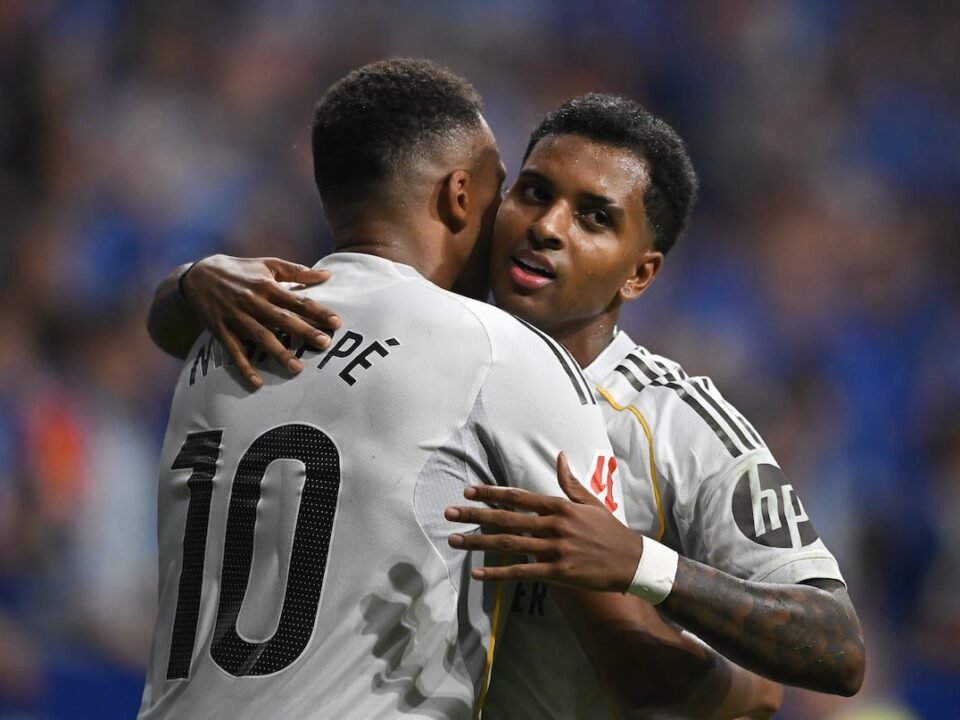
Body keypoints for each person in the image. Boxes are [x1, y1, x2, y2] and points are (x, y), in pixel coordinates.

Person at [150, 93, 862, 717]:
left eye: (594, 218)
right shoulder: (426, 350)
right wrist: (193, 280)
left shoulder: (679, 426)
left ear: (639, 273)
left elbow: (836, 645)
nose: (548, 226)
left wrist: (642, 562)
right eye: (534, 193)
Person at [137, 58, 633, 720]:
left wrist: (189, 277)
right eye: (502, 191)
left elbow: (167, 325)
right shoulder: (495, 349)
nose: (513, 221)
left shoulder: (216, 335)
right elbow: (626, 653)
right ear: (460, 195)